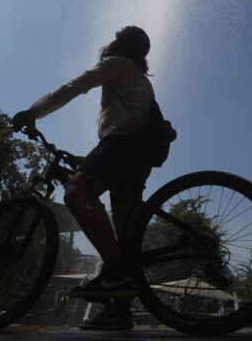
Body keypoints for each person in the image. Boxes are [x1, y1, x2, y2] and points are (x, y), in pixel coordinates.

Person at [12, 26, 157, 330]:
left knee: (76, 194)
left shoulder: (116, 64)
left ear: (120, 44)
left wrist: (32, 113)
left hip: (120, 145)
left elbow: (74, 87)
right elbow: (127, 119)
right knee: (124, 240)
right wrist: (88, 159)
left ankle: (114, 273)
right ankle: (119, 312)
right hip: (138, 154)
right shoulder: (140, 78)